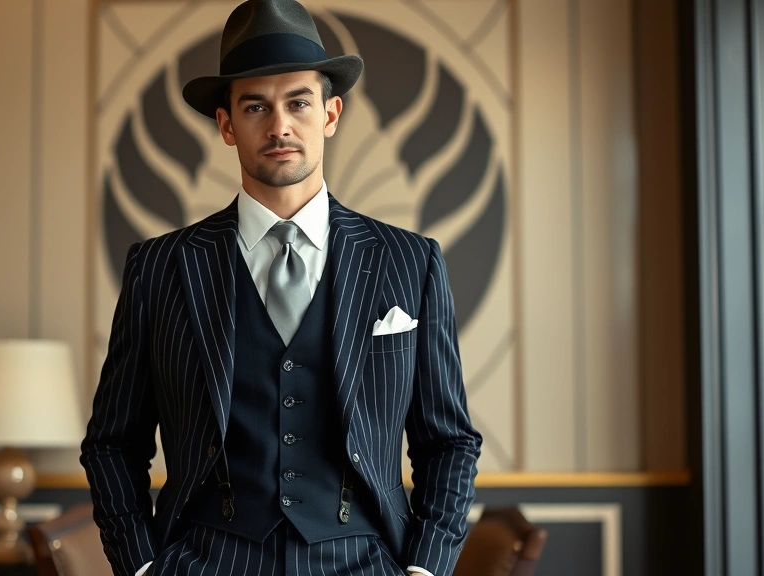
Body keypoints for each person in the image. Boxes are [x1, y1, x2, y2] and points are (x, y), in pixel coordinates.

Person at [81, 1, 482, 575]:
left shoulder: (409, 261)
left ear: (331, 113)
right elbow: (112, 443)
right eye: (255, 106)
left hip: (363, 561)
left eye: (298, 102)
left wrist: (424, 568)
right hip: (205, 561)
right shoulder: (161, 267)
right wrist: (142, 566)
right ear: (225, 124)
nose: (279, 126)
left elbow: (449, 441)